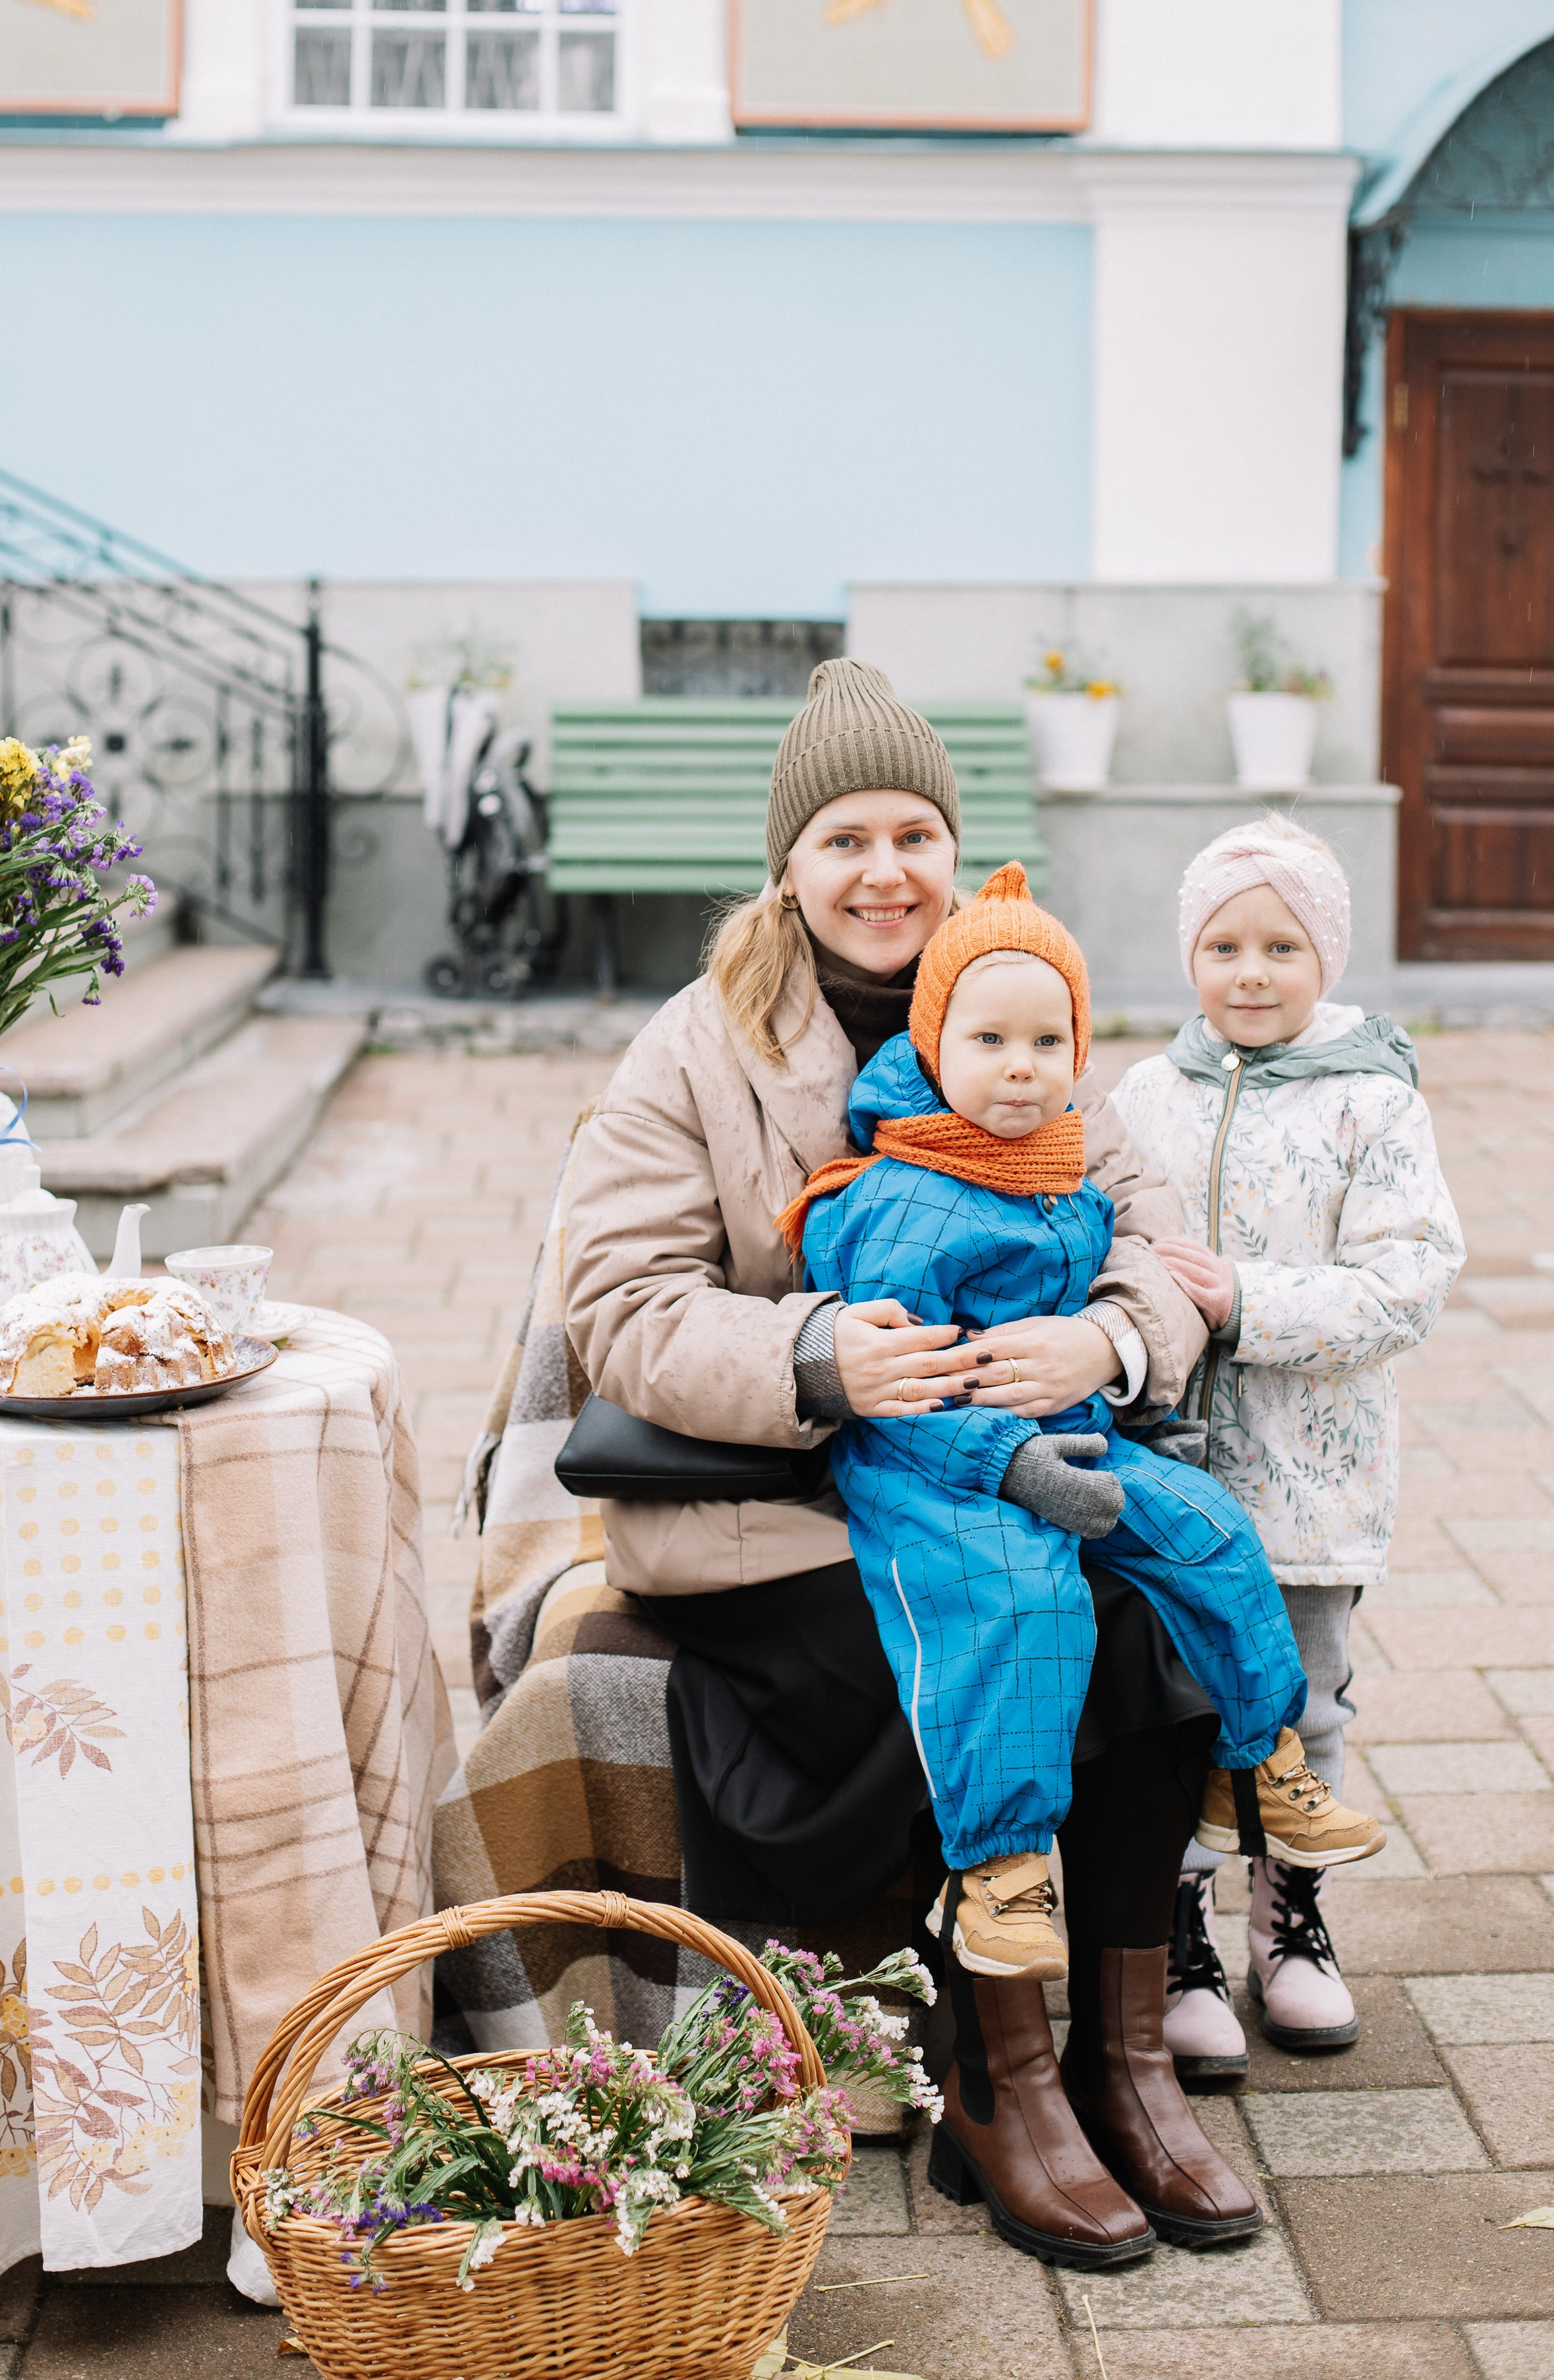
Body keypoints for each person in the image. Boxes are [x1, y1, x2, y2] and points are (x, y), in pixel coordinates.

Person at [564, 659, 1265, 2267]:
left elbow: (1160, 1233)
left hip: (1008, 1464)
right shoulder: (699, 1047)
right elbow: (616, 1301)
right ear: (787, 865)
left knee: (1148, 1625)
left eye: (916, 832)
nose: (884, 871)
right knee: (993, 1641)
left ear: (956, 849)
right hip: (782, 1507)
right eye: (843, 838)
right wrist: (815, 1351)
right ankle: (997, 2077)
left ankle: (1123, 2056)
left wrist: (1107, 1339)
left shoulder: (1025, 994)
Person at [782, 862, 1383, 2002]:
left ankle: (1254, 1766)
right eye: (991, 1042)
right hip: (935, 1464)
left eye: (1047, 1044)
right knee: (1025, 1602)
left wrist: (1101, 1359)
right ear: (933, 1044)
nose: (1021, 1069)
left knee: (1206, 1526)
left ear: (1079, 1056)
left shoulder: (1063, 1169)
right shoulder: (898, 1199)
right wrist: (1003, 1459)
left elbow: (1136, 1271)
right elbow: (903, 1388)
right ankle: (999, 1868)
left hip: (1072, 1430)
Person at [1112, 814, 1464, 2072]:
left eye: (1281, 946)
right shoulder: (1144, 1094)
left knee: (1300, 1703)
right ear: (1190, 954)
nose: (1250, 972)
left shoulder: (1373, 1101)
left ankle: (1292, 1921)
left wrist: (1245, 1303)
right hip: (1165, 1468)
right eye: (1223, 945)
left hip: (1311, 1474)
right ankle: (1177, 1927)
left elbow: (1411, 1280)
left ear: (1329, 958)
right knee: (1173, 1694)